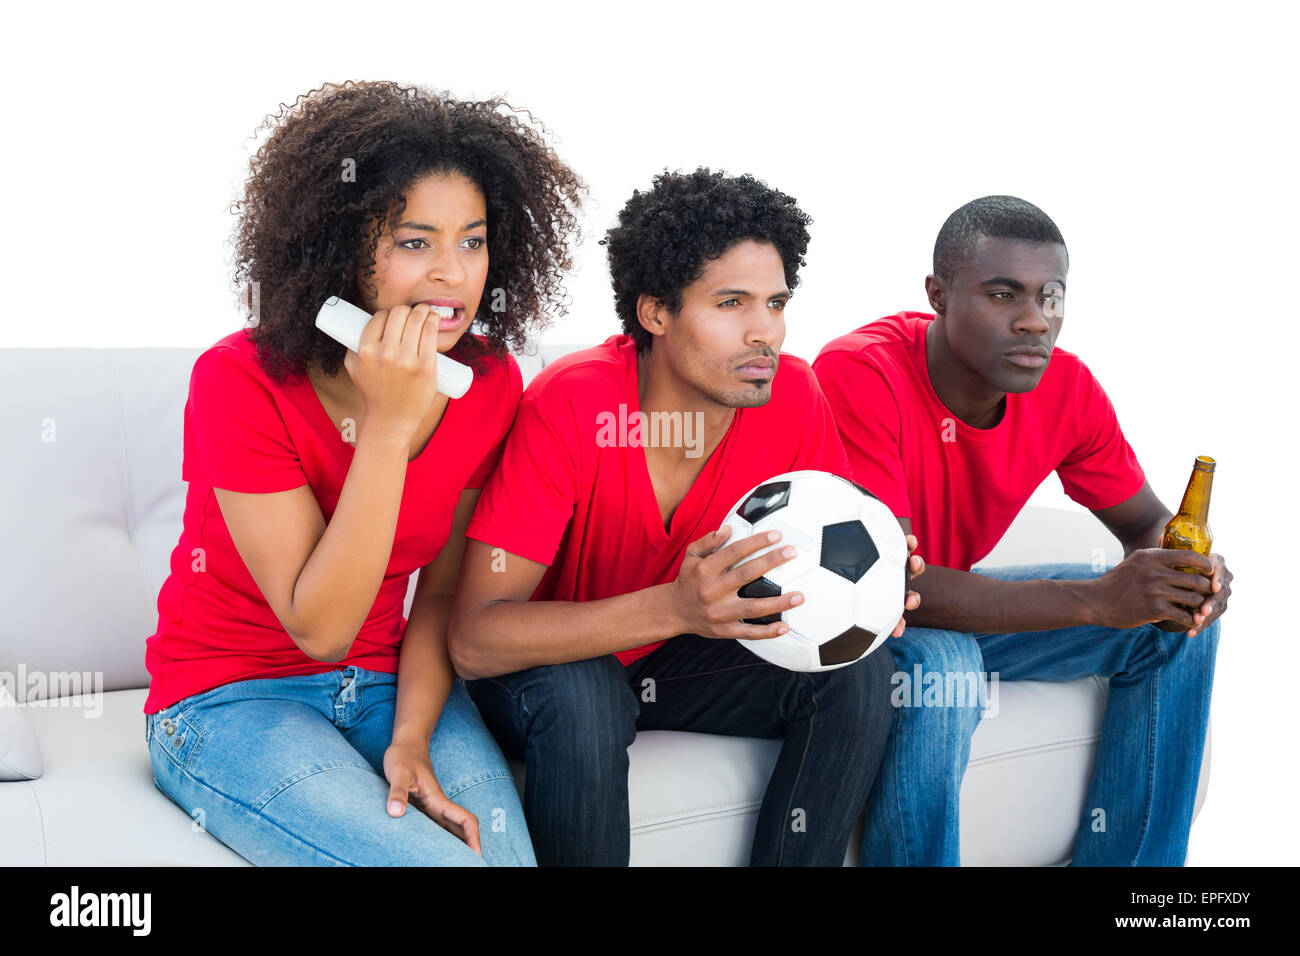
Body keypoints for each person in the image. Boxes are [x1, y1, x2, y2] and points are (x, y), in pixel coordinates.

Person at [142, 80, 584, 866]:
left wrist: (412, 738)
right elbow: (320, 628)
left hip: (387, 687)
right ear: (340, 248)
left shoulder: (486, 383)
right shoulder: (236, 380)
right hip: (232, 699)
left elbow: (442, 594)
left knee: (506, 857)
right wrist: (387, 424)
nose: (454, 275)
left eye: (473, 241)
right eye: (415, 243)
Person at [448, 168, 923, 866]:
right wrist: (674, 607)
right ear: (655, 313)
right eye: (731, 302)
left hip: (672, 664)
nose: (765, 331)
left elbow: (818, 555)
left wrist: (868, 594)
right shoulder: (572, 407)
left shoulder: (793, 394)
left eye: (776, 302)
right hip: (546, 670)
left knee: (855, 672)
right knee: (586, 693)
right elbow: (475, 639)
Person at [813, 195, 1232, 866]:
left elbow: (1148, 523)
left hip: (948, 607)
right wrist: (1099, 599)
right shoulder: (859, 373)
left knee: (1171, 626)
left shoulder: (1066, 390)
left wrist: (1180, 576)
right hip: (848, 623)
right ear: (939, 295)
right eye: (1003, 294)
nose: (1036, 321)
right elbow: (887, 588)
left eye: (1052, 297)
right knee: (943, 666)